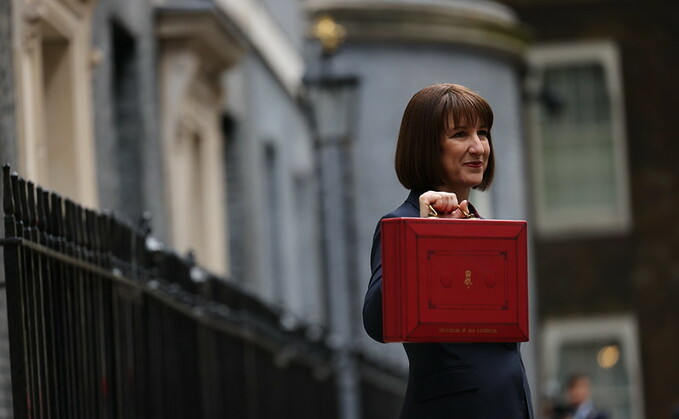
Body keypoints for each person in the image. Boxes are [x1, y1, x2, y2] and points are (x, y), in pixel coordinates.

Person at [362, 83, 533, 418]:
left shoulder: (479, 225)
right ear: (427, 146)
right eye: (459, 134)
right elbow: (376, 323)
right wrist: (424, 232)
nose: (479, 147)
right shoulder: (402, 223)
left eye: (482, 133)